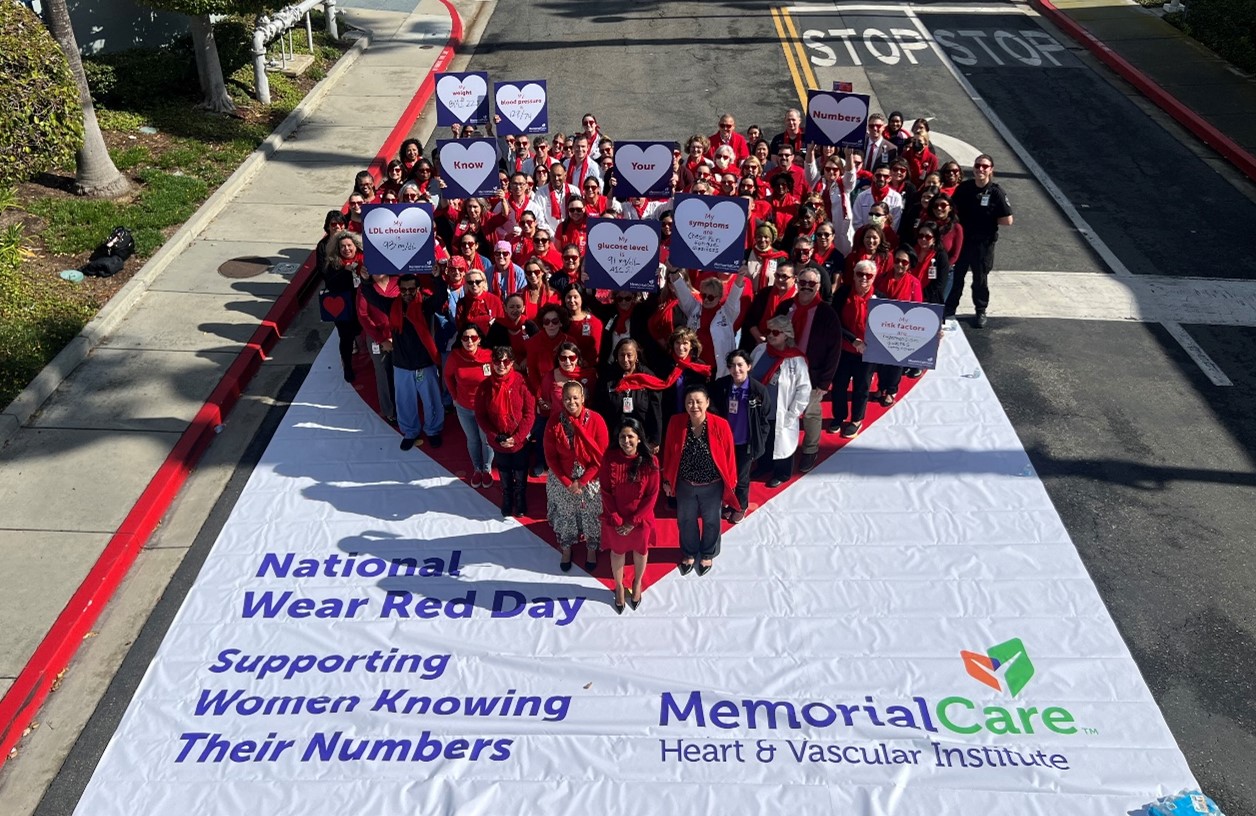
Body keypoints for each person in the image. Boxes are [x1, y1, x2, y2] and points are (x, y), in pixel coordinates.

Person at [661, 385, 739, 577]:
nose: (694, 406)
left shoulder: (720, 425)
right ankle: (689, 552)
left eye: (698, 402)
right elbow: (669, 452)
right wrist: (667, 479)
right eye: (689, 402)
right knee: (686, 520)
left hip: (712, 484)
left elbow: (729, 456)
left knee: (712, 520)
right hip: (685, 484)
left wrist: (731, 482)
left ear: (707, 403)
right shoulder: (676, 422)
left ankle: (708, 552)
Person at [774, 266, 841, 473]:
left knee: (811, 413)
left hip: (812, 374)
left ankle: (810, 450)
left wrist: (824, 382)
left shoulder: (827, 313)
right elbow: (773, 335)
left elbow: (834, 350)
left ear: (819, 287)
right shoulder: (785, 307)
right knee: (783, 411)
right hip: (785, 370)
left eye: (811, 284)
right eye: (802, 283)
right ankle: (783, 449)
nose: (806, 287)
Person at [544, 381, 609, 572]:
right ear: (561, 400)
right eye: (567, 398)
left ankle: (591, 547)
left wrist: (581, 481)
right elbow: (550, 457)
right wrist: (566, 482)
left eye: (575, 397)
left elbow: (601, 457)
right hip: (563, 477)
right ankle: (566, 547)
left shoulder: (596, 420)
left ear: (583, 398)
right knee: (566, 512)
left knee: (591, 511)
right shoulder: (554, 421)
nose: (571, 402)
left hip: (589, 476)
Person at [945, 154, 1013, 327]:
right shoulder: (964, 188)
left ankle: (980, 310)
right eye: (978, 166)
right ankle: (949, 309)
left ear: (991, 170)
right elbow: (952, 211)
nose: (980, 169)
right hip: (963, 241)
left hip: (983, 244)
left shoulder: (996, 192)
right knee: (956, 277)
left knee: (980, 279)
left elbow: (1008, 220)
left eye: (985, 166)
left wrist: (988, 220)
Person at [601, 417, 660, 613]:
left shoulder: (651, 461)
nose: (626, 441)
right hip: (616, 517)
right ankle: (618, 586)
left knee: (640, 551)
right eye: (622, 437)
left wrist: (633, 522)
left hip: (640, 519)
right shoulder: (609, 458)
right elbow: (605, 491)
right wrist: (618, 519)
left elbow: (652, 495)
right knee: (617, 552)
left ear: (639, 439)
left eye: (630, 437)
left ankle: (637, 582)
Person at [709, 350, 771, 523]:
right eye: (732, 366)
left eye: (740, 365)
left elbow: (764, 418)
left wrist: (760, 441)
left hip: (746, 443)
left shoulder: (758, 390)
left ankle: (740, 506)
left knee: (742, 478)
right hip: (724, 442)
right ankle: (727, 503)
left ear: (748, 366)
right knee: (724, 475)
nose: (736, 369)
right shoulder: (721, 386)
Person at [750, 315, 811, 487]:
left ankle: (782, 473)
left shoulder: (796, 360)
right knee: (764, 440)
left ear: (786, 335)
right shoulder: (761, 350)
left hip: (782, 410)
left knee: (782, 442)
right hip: (760, 407)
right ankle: (764, 466)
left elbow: (803, 389)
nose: (770, 335)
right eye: (769, 331)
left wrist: (793, 413)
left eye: (775, 332)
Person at [475, 346, 536, 517]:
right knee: (504, 468)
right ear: (492, 363)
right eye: (497, 361)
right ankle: (508, 496)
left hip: (519, 439)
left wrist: (516, 438)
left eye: (506, 361)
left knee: (521, 467)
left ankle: (520, 496)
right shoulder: (485, 387)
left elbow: (529, 413)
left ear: (512, 363)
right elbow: (480, 415)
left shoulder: (522, 382)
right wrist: (494, 436)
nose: (501, 365)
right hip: (499, 440)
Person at [389, 274, 445, 450]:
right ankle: (410, 431)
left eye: (411, 289)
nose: (407, 293)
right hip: (402, 365)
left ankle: (433, 430)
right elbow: (372, 297)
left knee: (431, 400)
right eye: (403, 289)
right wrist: (366, 281)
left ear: (418, 289)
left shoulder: (425, 304)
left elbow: (441, 297)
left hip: (424, 364)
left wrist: (437, 278)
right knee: (404, 402)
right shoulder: (392, 306)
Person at [828, 259, 878, 438]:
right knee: (839, 385)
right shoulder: (843, 292)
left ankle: (856, 419)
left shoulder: (880, 297)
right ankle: (839, 416)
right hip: (845, 349)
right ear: (854, 275)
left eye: (868, 275)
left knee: (861, 386)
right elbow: (833, 321)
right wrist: (853, 339)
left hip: (867, 352)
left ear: (874, 277)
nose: (864, 278)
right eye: (860, 274)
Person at [672, 267, 748, 378]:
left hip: (718, 369)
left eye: (711, 297)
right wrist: (673, 271)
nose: (706, 299)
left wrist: (740, 276)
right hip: (694, 366)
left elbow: (735, 296)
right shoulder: (694, 308)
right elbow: (682, 290)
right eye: (704, 296)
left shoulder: (727, 313)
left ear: (719, 297)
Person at [445, 324, 495, 487]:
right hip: (464, 407)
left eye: (473, 338)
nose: (469, 341)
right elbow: (447, 376)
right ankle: (477, 469)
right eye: (465, 338)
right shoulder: (455, 356)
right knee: (472, 439)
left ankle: (487, 469)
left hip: (485, 408)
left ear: (479, 339)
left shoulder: (489, 356)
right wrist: (454, 397)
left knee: (486, 440)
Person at [875, 248, 924, 407]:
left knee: (896, 363)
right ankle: (881, 387)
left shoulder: (914, 283)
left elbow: (918, 308)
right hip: (883, 326)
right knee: (881, 361)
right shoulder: (882, 278)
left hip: (902, 330)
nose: (899, 265)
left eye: (904, 262)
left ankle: (891, 390)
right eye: (897, 261)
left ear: (909, 265)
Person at [598, 338, 664, 448]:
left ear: (637, 355)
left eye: (629, 355)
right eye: (621, 355)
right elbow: (600, 407)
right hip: (614, 438)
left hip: (643, 438)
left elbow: (656, 410)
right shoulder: (607, 378)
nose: (625, 359)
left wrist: (655, 440)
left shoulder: (648, 377)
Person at [320, 228, 364, 382]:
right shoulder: (334, 264)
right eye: (343, 247)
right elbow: (331, 284)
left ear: (356, 246)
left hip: (364, 305)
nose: (346, 249)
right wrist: (345, 271)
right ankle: (348, 367)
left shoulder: (364, 260)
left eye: (349, 245)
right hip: (344, 308)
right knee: (346, 338)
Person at [355, 269, 399, 423]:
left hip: (400, 337)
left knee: (401, 374)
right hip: (378, 340)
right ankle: (390, 411)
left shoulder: (399, 281)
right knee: (384, 375)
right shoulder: (365, 288)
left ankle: (404, 406)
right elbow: (363, 316)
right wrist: (382, 340)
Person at [742, 262, 796, 349]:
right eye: (777, 276)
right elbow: (750, 318)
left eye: (785, 277)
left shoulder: (796, 300)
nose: (780, 280)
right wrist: (759, 338)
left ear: (794, 278)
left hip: (783, 346)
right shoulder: (764, 293)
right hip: (756, 342)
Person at [562, 283, 603, 363]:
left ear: (582, 298)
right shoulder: (560, 320)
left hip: (585, 367)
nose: (572, 301)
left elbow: (595, 350)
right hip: (564, 364)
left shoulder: (594, 322)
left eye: (575, 297)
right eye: (569, 297)